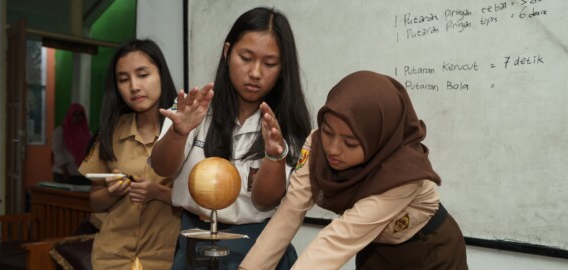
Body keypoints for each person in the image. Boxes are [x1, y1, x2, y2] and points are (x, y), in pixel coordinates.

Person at [239, 71, 468, 269]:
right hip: (374, 247)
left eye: (350, 143)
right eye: (328, 132)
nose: (333, 149)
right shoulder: (317, 146)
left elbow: (337, 240)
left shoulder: (404, 173)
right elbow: (289, 212)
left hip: (429, 250)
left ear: (376, 139)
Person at [150, 6, 312, 270]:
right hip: (194, 237)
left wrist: (273, 154)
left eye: (270, 63)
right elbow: (161, 168)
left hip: (257, 245)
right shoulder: (197, 107)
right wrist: (179, 133)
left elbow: (264, 200)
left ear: (283, 68)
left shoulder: (285, 125)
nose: (256, 73)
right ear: (227, 52)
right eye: (246, 58)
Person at [78, 38, 180, 270]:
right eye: (123, 79)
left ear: (161, 75)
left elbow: (203, 203)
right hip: (111, 258)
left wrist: (158, 192)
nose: (133, 86)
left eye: (143, 75)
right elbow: (95, 202)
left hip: (167, 260)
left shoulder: (184, 132)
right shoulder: (109, 133)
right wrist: (113, 193)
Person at [52, 103, 91, 185]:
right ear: (70, 115)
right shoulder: (60, 131)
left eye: (81, 115)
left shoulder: (87, 133)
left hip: (82, 174)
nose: (78, 118)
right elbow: (57, 151)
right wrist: (65, 171)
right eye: (75, 115)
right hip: (64, 173)